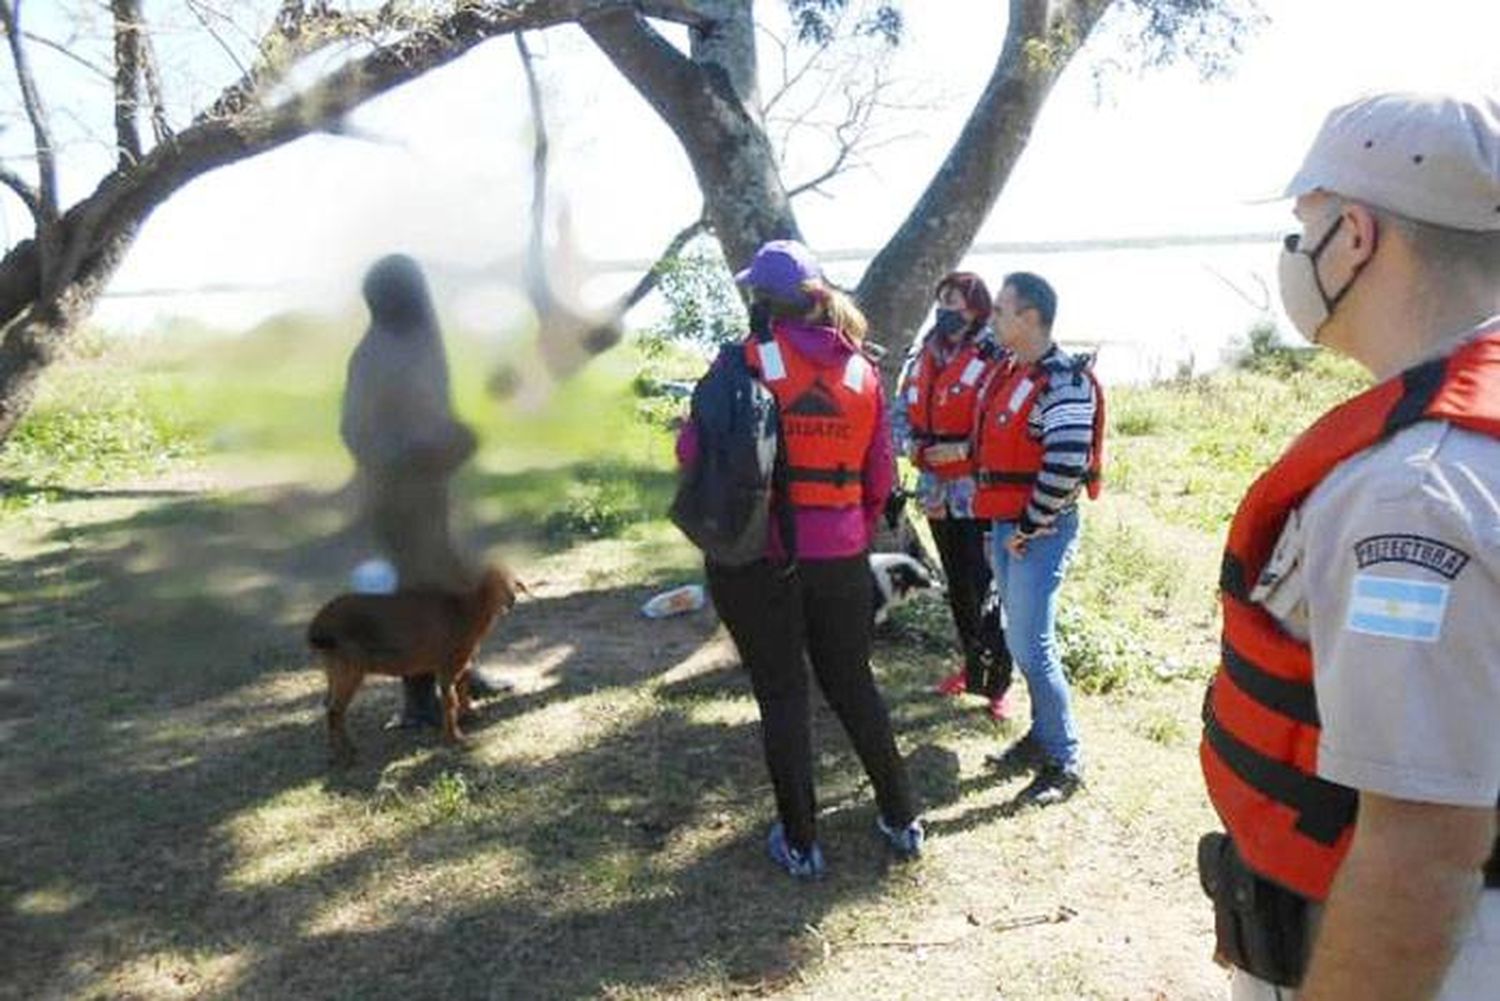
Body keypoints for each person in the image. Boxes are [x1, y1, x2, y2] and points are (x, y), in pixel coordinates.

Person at [1197, 92, 1500, 1001]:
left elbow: (1420, 851)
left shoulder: (1413, 495)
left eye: (1306, 226)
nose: (1294, 254)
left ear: (1356, 237)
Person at [677, 239, 923, 878]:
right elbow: (878, 477)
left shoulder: (745, 361)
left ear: (761, 301)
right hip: (840, 555)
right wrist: (847, 531)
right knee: (853, 684)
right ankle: (902, 816)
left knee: (783, 694)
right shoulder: (862, 372)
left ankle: (801, 841)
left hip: (764, 559)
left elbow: (690, 453)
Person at [340, 254, 504, 728]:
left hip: (432, 495)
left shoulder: (420, 345)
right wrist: (412, 455)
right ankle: (418, 703)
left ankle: (461, 674)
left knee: (457, 587)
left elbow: (432, 414)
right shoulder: (374, 353)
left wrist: (455, 438)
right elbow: (357, 431)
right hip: (396, 501)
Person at [973, 272, 1103, 806]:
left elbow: (1067, 464)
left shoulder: (1064, 382)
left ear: (1030, 318)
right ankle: (1041, 736)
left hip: (1036, 532)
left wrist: (1027, 528)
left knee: (1033, 645)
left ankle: (1064, 759)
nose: (993, 319)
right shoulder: (1012, 369)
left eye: (1002, 310)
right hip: (1010, 528)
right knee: (1019, 636)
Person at [892, 272, 1015, 720]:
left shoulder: (996, 353)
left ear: (978, 308)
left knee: (987, 585)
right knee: (958, 585)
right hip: (936, 488)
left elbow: (1009, 417)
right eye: (941, 300)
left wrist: (967, 449)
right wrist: (912, 446)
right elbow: (900, 412)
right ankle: (971, 666)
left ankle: (999, 682)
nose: (945, 310)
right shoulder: (925, 352)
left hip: (977, 489)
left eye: (956, 303)